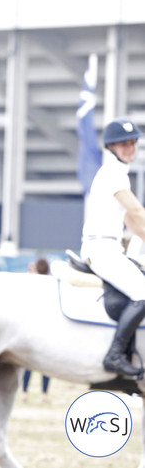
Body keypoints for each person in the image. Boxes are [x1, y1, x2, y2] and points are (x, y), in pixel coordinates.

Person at [80, 119, 145, 377]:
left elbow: (132, 222)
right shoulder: (112, 172)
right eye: (124, 143)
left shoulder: (119, 174)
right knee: (143, 292)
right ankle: (115, 355)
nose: (129, 147)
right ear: (111, 145)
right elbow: (137, 210)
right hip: (101, 248)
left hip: (110, 248)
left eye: (132, 142)